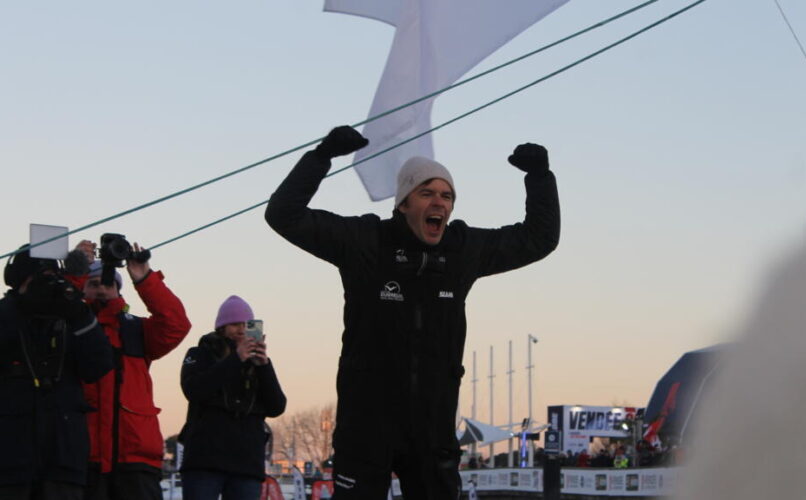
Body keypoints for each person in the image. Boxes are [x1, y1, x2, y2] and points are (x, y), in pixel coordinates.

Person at [264, 125, 560, 499]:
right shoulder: (366, 241)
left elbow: (539, 239)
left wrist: (539, 178)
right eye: (427, 193)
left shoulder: (462, 250)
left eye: (447, 196)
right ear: (403, 203)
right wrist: (321, 157)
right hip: (367, 423)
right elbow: (284, 215)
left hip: (431, 426)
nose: (439, 202)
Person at [71, 240, 192, 500]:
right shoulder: (68, 328)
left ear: (119, 289)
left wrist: (144, 278)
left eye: (109, 284)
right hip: (83, 456)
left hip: (135, 457)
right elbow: (48, 313)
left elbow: (176, 324)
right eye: (93, 284)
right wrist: (74, 270)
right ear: (82, 289)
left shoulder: (136, 330)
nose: (102, 289)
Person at [0, 246, 113, 499]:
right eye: (39, 278)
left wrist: (76, 311)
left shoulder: (72, 315)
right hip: (9, 460)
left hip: (64, 458)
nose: (46, 285)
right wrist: (19, 307)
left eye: (52, 277)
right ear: (18, 281)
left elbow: (99, 365)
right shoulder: (6, 314)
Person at [178, 295, 286, 500]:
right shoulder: (201, 354)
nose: (242, 330)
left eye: (247, 325)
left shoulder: (257, 364)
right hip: (205, 459)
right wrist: (236, 359)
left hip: (246, 463)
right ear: (222, 327)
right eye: (235, 324)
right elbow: (194, 390)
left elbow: (277, 407)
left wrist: (264, 367)